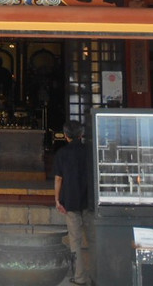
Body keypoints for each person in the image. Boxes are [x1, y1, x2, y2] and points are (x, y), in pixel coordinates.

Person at [54, 119, 92, 285]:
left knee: (75, 241)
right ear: (81, 134)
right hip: (90, 202)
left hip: (70, 201)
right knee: (94, 240)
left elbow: (58, 179)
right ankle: (99, 274)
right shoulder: (89, 152)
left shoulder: (62, 153)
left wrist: (57, 199)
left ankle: (80, 277)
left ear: (65, 136)